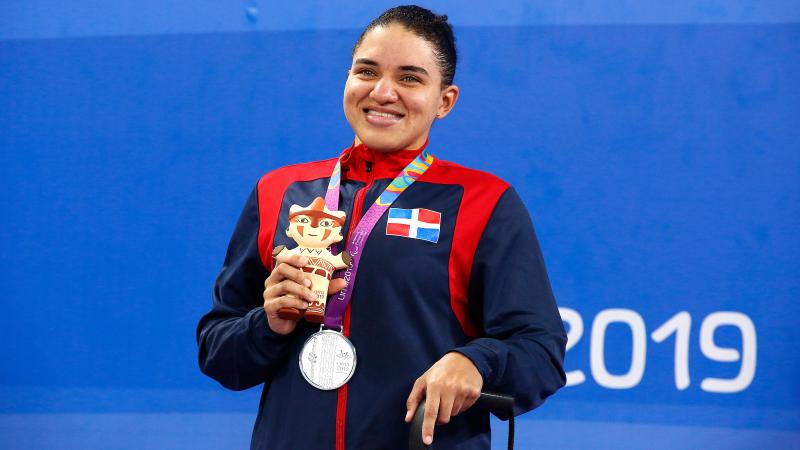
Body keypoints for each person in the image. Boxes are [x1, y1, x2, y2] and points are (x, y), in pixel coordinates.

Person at [197, 5, 566, 450]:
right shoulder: (280, 191)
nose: (383, 91)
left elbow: (541, 353)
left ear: (444, 101)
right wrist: (267, 324)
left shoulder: (485, 202)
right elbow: (219, 352)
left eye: (410, 78)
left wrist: (476, 363)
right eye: (367, 71)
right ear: (347, 79)